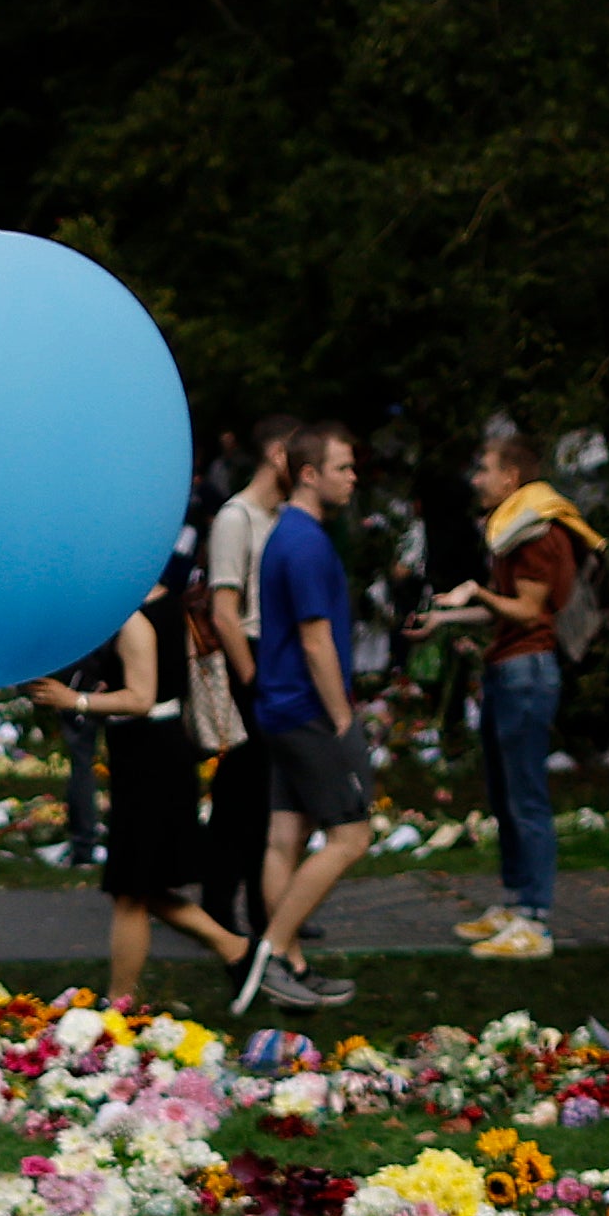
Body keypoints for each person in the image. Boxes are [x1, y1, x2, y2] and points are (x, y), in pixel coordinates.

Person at [412, 423, 601, 963]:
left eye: (485, 470)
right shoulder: (515, 529)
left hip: (528, 673)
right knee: (504, 795)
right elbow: (503, 604)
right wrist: (445, 617)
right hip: (507, 669)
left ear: (511, 476)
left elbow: (528, 610)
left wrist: (475, 593)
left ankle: (535, 920)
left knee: (526, 798)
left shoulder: (539, 532)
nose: (477, 480)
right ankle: (515, 902)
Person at [31, 552, 251, 1006]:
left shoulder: (132, 618)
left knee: (132, 887)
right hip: (156, 756)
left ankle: (124, 1000)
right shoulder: (165, 604)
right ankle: (231, 951)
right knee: (137, 886)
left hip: (150, 760)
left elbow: (141, 697)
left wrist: (75, 700)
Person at [238, 421, 372, 1014]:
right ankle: (270, 955)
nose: (353, 477)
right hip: (309, 710)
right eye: (344, 467)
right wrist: (342, 716)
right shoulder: (308, 542)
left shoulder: (283, 534)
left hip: (280, 706)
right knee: (350, 836)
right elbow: (316, 640)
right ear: (311, 474)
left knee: (284, 837)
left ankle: (289, 967)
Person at [192, 418, 295, 974]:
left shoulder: (278, 519)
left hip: (270, 661)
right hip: (249, 663)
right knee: (240, 794)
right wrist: (252, 678)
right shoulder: (236, 519)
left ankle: (260, 906)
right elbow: (224, 612)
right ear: (278, 454)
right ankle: (224, 906)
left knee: (257, 795)